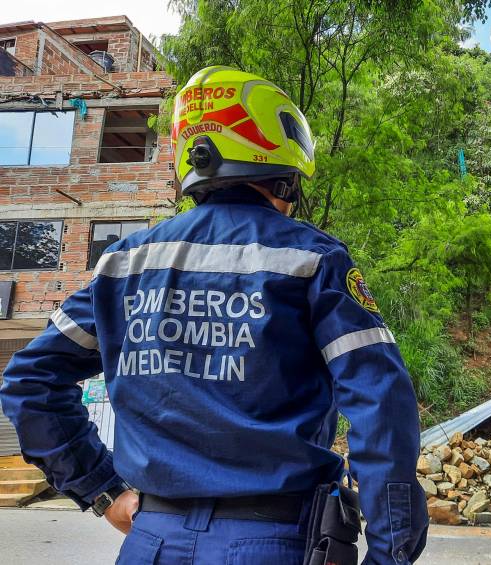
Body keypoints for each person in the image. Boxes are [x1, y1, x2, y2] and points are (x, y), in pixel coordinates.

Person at [0, 66, 428, 564]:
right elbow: (381, 403)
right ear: (279, 156)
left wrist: (102, 489)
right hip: (275, 542)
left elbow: (30, 381)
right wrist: (391, 551)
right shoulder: (312, 259)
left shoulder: (123, 265)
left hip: (150, 544)